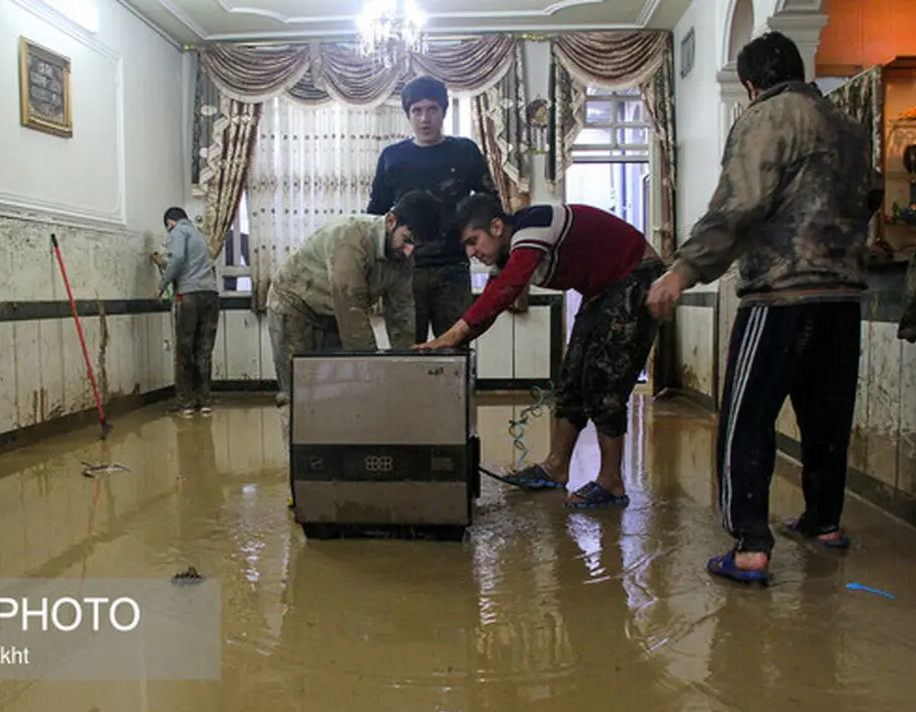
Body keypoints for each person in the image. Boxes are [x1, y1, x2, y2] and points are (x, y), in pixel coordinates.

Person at [645, 31, 879, 585]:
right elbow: (869, 200)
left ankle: (750, 544)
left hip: (780, 294)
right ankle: (824, 523)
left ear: (752, 85)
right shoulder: (849, 125)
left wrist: (683, 269)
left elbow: (739, 205)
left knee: (745, 419)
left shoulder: (767, 117)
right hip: (842, 296)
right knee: (827, 418)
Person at [418, 193, 666, 509]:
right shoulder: (508, 253)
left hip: (636, 276)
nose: (470, 253)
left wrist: (452, 335)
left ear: (496, 226)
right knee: (571, 380)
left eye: (473, 241)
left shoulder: (532, 225)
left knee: (605, 382)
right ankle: (556, 466)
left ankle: (611, 482)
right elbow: (493, 302)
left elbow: (508, 287)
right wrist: (449, 343)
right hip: (602, 290)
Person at [267, 189, 443, 466]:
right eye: (407, 241)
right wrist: (371, 372)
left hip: (332, 312)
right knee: (298, 393)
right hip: (295, 305)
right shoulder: (352, 239)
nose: (409, 252)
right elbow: (350, 307)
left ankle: (339, 467)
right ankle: (302, 475)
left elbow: (402, 313)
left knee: (341, 391)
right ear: (391, 220)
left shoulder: (403, 258)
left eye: (416, 247)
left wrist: (406, 368)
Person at [367, 75, 500, 345]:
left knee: (455, 352)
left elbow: (489, 204)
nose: (424, 118)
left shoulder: (465, 152)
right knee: (406, 353)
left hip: (453, 268)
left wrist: (485, 248)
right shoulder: (392, 157)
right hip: (405, 272)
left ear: (443, 111)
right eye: (417, 110)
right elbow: (374, 217)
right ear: (408, 114)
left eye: (432, 109)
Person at [152, 207, 220, 417]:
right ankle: (205, 402)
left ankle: (186, 404)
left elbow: (179, 259)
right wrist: (164, 262)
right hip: (210, 296)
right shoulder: (198, 234)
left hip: (189, 297)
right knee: (204, 350)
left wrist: (161, 286)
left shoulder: (177, 232)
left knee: (184, 351)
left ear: (170, 222)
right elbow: (192, 264)